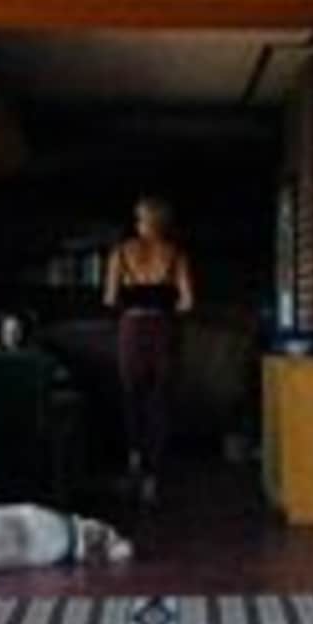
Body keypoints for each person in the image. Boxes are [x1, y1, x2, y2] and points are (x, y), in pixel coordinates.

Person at [104, 196, 195, 507]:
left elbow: (110, 299)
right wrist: (162, 299)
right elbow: (187, 303)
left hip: (131, 329)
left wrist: (134, 297)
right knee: (159, 398)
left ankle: (133, 462)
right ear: (165, 223)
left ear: (139, 220)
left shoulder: (121, 253)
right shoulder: (174, 253)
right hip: (162, 329)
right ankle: (154, 475)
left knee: (132, 394)